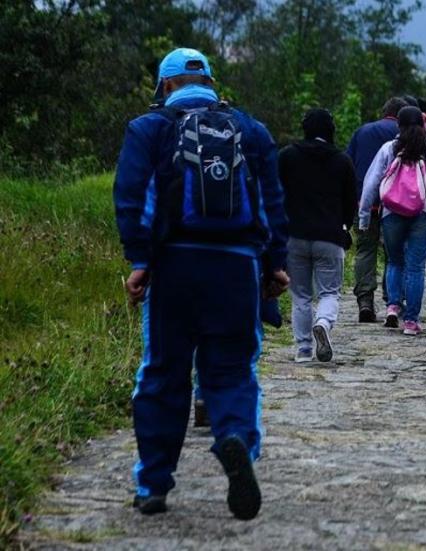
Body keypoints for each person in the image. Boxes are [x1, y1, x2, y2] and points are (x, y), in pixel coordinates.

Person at [114, 48, 288, 519]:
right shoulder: (250, 131)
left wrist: (139, 260)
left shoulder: (149, 129)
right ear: (211, 82)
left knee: (162, 374)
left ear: (166, 86)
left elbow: (132, 198)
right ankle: (234, 439)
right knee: (232, 370)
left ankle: (152, 483)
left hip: (173, 267)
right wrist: (275, 263)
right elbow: (272, 203)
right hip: (236, 268)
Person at [358, 106, 426, 335]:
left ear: (398, 126)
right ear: (423, 124)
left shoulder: (388, 149)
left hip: (391, 213)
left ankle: (392, 307)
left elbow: (371, 184)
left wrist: (363, 217)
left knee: (394, 261)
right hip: (422, 214)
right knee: (415, 267)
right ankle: (411, 321)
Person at [279, 108, 356, 363]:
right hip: (329, 236)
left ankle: (303, 349)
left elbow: (275, 194)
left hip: (295, 235)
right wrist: (345, 225)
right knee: (329, 292)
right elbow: (350, 203)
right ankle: (323, 322)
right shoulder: (342, 160)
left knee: (300, 294)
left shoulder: (287, 156)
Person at [346, 97, 408, 322]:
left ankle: (365, 301)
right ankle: (392, 300)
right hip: (397, 204)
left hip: (365, 201)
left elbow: (348, 165)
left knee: (365, 250)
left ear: (384, 112)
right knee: (395, 254)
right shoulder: (406, 135)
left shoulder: (362, 132)